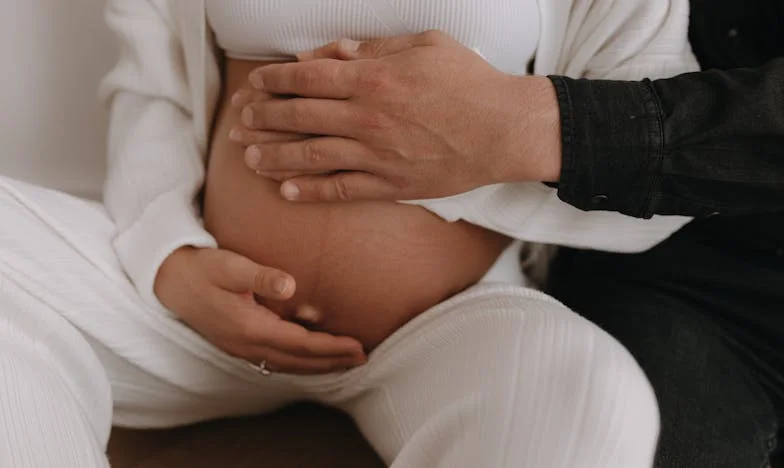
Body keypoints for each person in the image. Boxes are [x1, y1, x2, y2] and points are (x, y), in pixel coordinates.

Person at [0, 0, 698, 466]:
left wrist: (472, 155)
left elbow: (655, 164)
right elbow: (148, 85)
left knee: (589, 395)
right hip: (186, 317)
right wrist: (169, 258)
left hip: (444, 329)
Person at [240, 1, 784, 466]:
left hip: (462, 326)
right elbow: (161, 65)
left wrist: (502, 139)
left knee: (586, 414)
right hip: (673, 282)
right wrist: (165, 257)